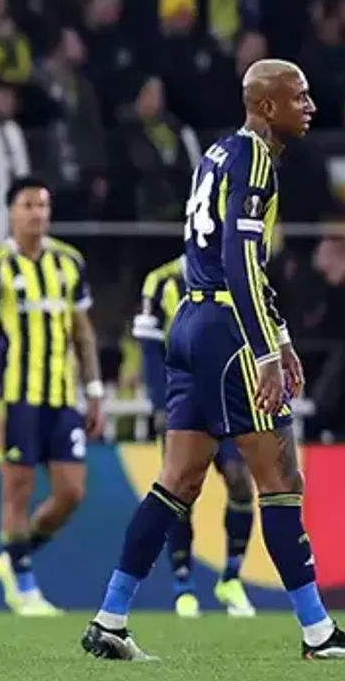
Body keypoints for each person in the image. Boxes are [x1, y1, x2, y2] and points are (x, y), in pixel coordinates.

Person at [82, 59, 345, 661]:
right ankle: (318, 632)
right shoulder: (255, 159)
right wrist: (266, 347)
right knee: (281, 481)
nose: (310, 107)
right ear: (267, 106)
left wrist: (280, 334)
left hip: (191, 322)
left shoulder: (217, 154)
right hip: (229, 332)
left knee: (177, 480)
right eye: (299, 97)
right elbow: (240, 260)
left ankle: (110, 619)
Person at [0, 176, 104, 617]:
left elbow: (83, 333)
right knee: (17, 487)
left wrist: (95, 391)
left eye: (42, 205)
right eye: (28, 205)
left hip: (62, 395)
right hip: (15, 396)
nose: (37, 213)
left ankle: (13, 558)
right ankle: (24, 587)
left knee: (71, 492)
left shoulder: (69, 262)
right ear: (11, 212)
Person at [133, 255, 256, 618]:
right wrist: (160, 404)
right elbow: (150, 349)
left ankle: (231, 578)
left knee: (240, 481)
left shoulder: (238, 274)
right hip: (183, 402)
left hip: (228, 400)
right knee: (181, 489)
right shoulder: (161, 282)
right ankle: (183, 584)